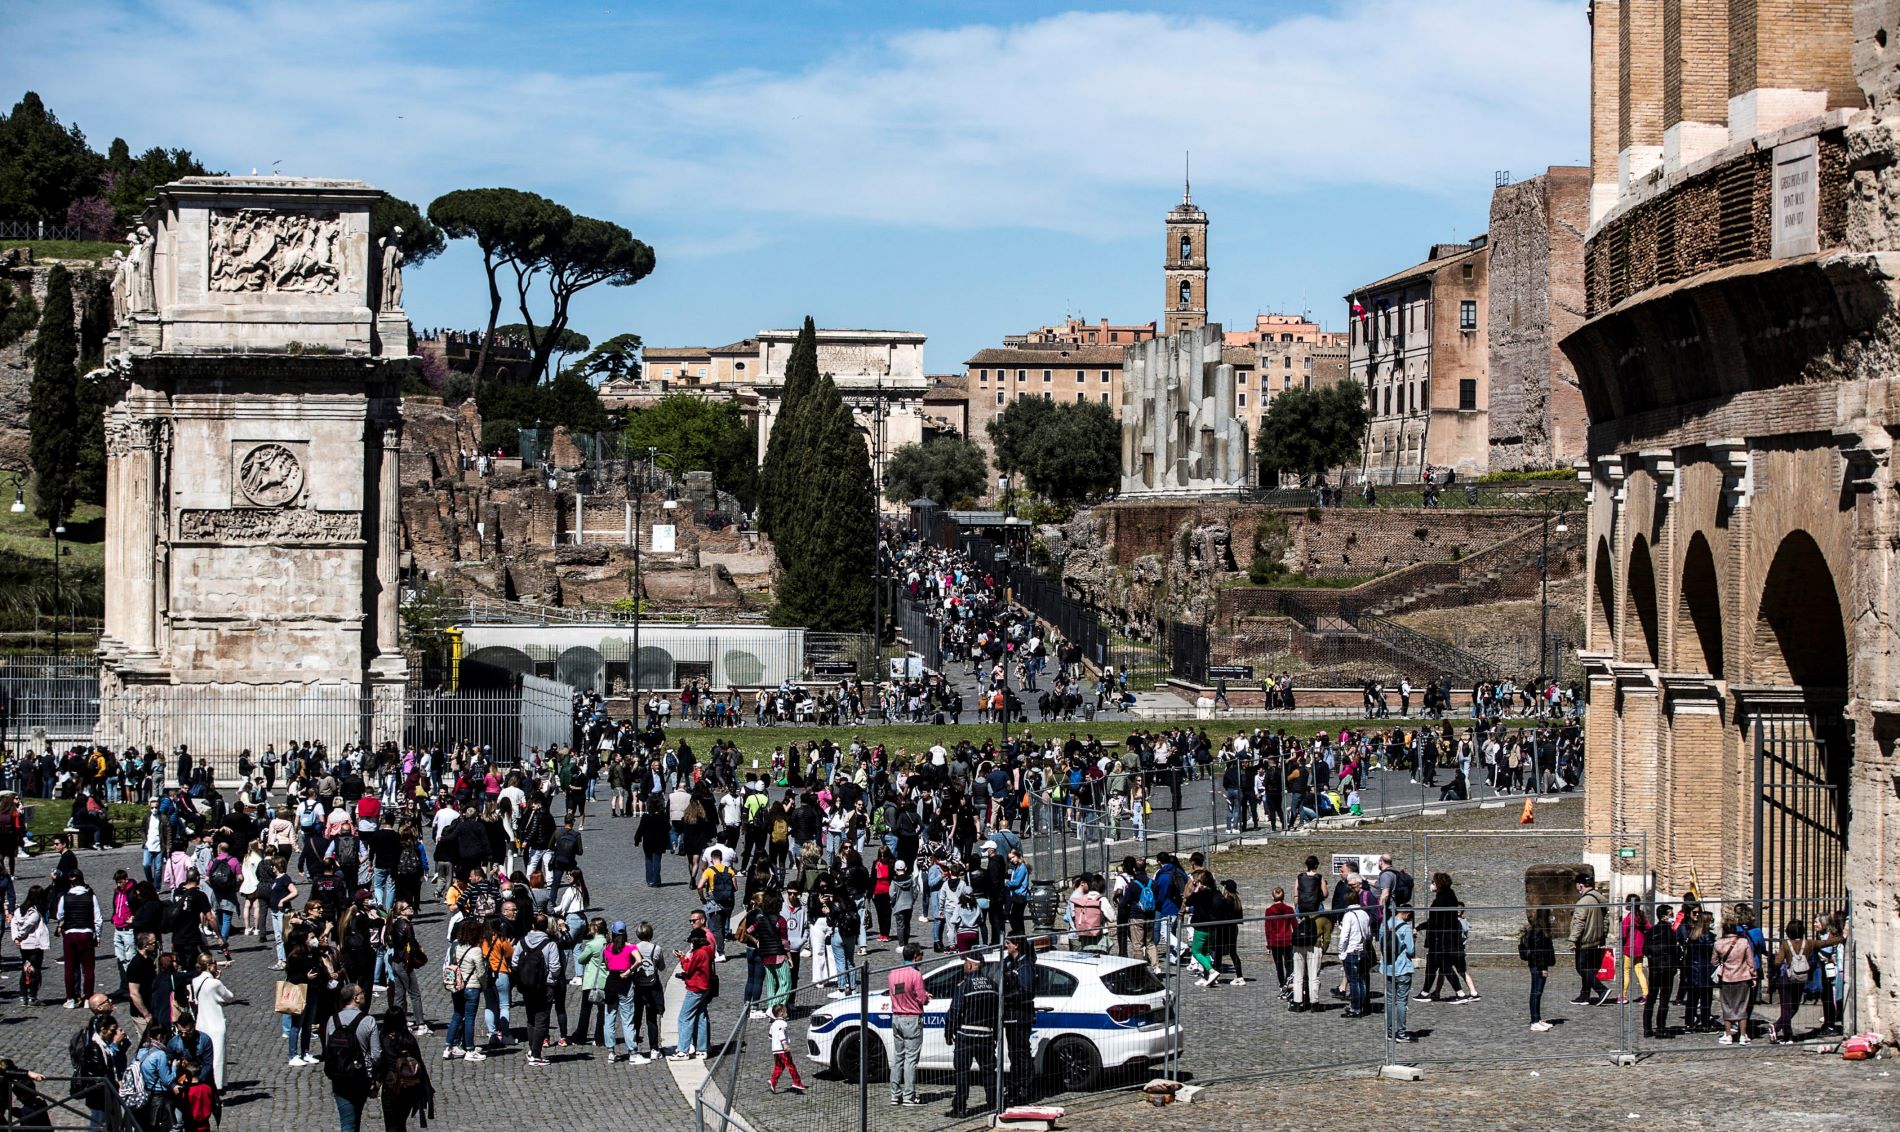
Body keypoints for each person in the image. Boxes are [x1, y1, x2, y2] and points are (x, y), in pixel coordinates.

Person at [945, 951, 1000, 1119]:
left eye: (965, 964)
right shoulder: (993, 985)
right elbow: (998, 1012)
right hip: (986, 1035)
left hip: (966, 1035)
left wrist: (949, 1031)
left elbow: (955, 1010)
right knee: (989, 1072)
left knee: (962, 1073)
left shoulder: (965, 986)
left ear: (970, 965)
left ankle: (960, 1108)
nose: (964, 966)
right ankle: (993, 1104)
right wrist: (995, 1034)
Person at [322, 983, 381, 1132]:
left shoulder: (332, 1020)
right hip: (360, 1077)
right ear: (355, 998)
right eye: (362, 993)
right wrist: (375, 1078)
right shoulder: (368, 1021)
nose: (364, 995)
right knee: (353, 1121)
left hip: (339, 1075)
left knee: (348, 1121)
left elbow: (329, 1049)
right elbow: (376, 1054)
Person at [378, 1010, 434, 1132]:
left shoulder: (384, 1039)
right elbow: (419, 1062)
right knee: (401, 1122)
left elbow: (380, 1063)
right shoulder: (409, 1039)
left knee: (392, 1124)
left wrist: (376, 1083)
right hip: (410, 1085)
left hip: (391, 1085)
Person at [887, 942, 928, 1106]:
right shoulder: (915, 974)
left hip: (897, 1016)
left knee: (898, 1058)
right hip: (911, 1018)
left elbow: (900, 993)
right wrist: (925, 997)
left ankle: (895, 1094)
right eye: (921, 955)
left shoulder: (894, 974)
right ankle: (909, 1096)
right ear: (915, 956)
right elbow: (921, 998)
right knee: (911, 1060)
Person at [188, 953, 236, 1089]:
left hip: (201, 1024)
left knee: (203, 1057)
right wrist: (219, 980)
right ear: (208, 966)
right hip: (215, 1024)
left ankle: (204, 1082)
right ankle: (218, 1086)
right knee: (217, 1057)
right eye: (214, 962)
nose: (216, 964)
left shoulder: (195, 981)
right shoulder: (215, 983)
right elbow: (229, 997)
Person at [671, 926, 715, 1059]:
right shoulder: (707, 950)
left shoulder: (699, 953)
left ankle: (683, 1050)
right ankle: (702, 1049)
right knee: (701, 1017)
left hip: (695, 988)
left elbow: (688, 968)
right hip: (705, 987)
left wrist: (682, 958)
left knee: (684, 1018)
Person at [1713, 915, 1758, 1044]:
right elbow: (1751, 961)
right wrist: (1753, 976)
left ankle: (1728, 1035)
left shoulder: (1718, 943)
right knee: (1742, 1006)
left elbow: (1714, 961)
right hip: (1743, 977)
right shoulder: (1744, 942)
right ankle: (1743, 1035)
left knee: (1727, 1006)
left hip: (1727, 978)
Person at [1567, 875, 1608, 1005]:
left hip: (1585, 940)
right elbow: (1606, 919)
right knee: (1588, 968)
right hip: (1596, 938)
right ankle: (1584, 995)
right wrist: (1603, 934)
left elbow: (1579, 922)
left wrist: (1573, 940)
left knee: (1581, 968)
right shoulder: (1599, 899)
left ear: (1580, 885)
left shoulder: (1583, 902)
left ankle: (1601, 990)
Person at [1644, 903, 1681, 1038]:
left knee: (1651, 998)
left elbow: (1645, 949)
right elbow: (1675, 951)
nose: (1673, 917)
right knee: (1664, 999)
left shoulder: (1650, 931)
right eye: (1671, 915)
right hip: (1667, 970)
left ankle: (1647, 1028)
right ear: (1664, 917)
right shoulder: (1671, 933)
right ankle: (1660, 1028)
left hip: (1655, 969)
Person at [1381, 906, 1417, 1042]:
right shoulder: (1406, 928)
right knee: (1401, 1001)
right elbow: (1410, 951)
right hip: (1402, 968)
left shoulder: (1385, 923)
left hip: (1388, 968)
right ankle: (1401, 1033)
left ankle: (1389, 1032)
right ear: (1406, 914)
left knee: (1390, 1000)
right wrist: (1414, 938)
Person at [1336, 883, 1372, 1017]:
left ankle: (1355, 1007)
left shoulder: (1349, 915)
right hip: (1362, 950)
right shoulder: (1364, 913)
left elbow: (1344, 936)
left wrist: (1341, 952)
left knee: (1353, 981)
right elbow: (1368, 934)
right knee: (1361, 980)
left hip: (1351, 950)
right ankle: (1362, 1005)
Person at [1520, 907, 1557, 1031]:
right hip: (1537, 965)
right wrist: (1543, 968)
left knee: (1538, 993)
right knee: (1535, 993)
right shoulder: (1538, 929)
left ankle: (1538, 1019)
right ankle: (1534, 1021)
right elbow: (1538, 951)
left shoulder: (1540, 928)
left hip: (1539, 964)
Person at [766, 1003, 806, 1094]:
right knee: (790, 1065)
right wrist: (785, 1044)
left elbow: (770, 1037)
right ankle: (797, 1082)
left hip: (775, 1049)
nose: (787, 1013)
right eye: (785, 1011)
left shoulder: (773, 1024)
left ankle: (773, 1081)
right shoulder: (783, 1023)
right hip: (782, 1049)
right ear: (780, 1013)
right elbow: (781, 1033)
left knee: (779, 1066)